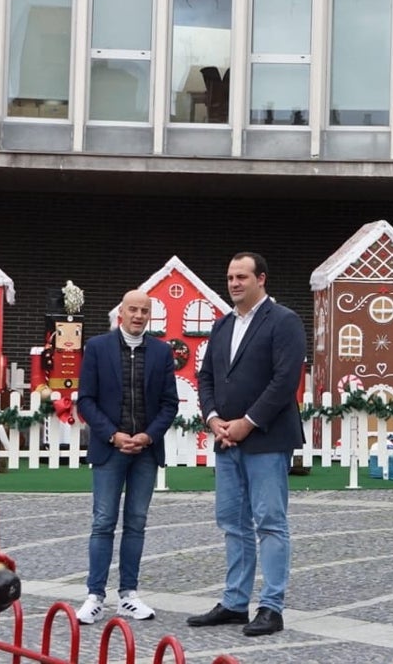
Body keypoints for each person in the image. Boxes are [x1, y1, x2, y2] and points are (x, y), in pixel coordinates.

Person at [187, 252, 306, 637]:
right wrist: (214, 419)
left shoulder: (284, 321)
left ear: (261, 279)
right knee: (233, 524)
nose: (234, 283)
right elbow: (205, 377)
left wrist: (248, 423)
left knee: (270, 522)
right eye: (230, 277)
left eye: (242, 276)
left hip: (267, 440)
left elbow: (285, 379)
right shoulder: (222, 326)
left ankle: (271, 607)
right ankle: (236, 602)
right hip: (226, 441)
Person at [74, 289, 179, 625]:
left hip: (146, 450)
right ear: (121, 312)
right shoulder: (97, 348)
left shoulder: (162, 352)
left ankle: (129, 595)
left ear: (150, 315)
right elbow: (86, 400)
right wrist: (113, 435)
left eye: (144, 311)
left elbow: (169, 403)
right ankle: (94, 595)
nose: (138, 315)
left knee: (136, 522)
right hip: (110, 448)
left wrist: (148, 435)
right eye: (132, 309)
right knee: (103, 522)